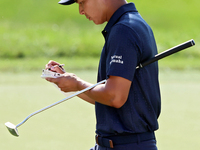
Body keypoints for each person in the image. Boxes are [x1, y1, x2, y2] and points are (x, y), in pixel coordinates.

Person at [45, 0, 161, 149]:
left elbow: (114, 97)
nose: (80, 11)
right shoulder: (130, 24)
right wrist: (70, 82)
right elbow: (106, 97)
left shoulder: (124, 30)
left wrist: (77, 83)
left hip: (128, 145)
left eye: (82, 2)